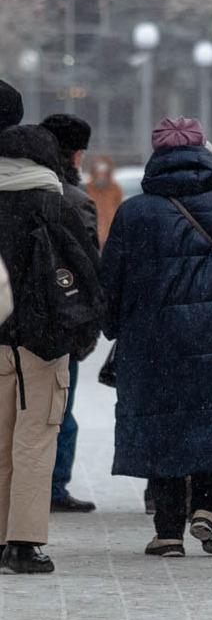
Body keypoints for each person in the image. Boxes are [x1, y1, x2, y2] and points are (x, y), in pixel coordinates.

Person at [101, 118, 212, 557]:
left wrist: (113, 328)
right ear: (206, 153)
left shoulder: (135, 212)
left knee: (165, 426)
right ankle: (209, 510)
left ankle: (168, 531)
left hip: (153, 340)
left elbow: (111, 280)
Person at [0, 124, 101, 575]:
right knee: (35, 441)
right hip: (42, 343)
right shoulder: (54, 204)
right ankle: (23, 545)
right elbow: (86, 272)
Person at [40, 113, 99, 515]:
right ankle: (54, 486)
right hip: (62, 317)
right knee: (60, 408)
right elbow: (90, 267)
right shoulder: (74, 201)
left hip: (13, 316)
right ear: (76, 154)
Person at [85, 154, 123, 245]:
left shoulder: (115, 189)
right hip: (93, 235)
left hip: (111, 235)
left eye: (104, 173)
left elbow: (119, 210)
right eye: (99, 172)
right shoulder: (87, 189)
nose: (101, 176)